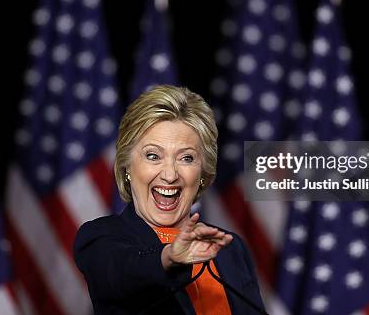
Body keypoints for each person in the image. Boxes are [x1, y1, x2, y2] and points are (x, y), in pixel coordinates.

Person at [74, 85, 266, 315]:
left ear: (203, 174)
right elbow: (122, 271)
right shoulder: (100, 237)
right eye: (153, 156)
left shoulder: (231, 248)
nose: (170, 174)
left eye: (186, 158)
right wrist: (168, 256)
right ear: (127, 166)